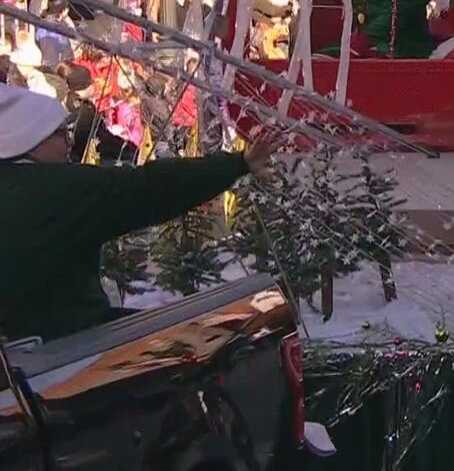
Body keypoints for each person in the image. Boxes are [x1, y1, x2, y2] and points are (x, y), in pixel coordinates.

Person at [0, 84, 279, 342]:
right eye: (62, 134)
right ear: (30, 139)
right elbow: (148, 188)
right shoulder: (55, 190)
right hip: (62, 354)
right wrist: (238, 163)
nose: (70, 144)